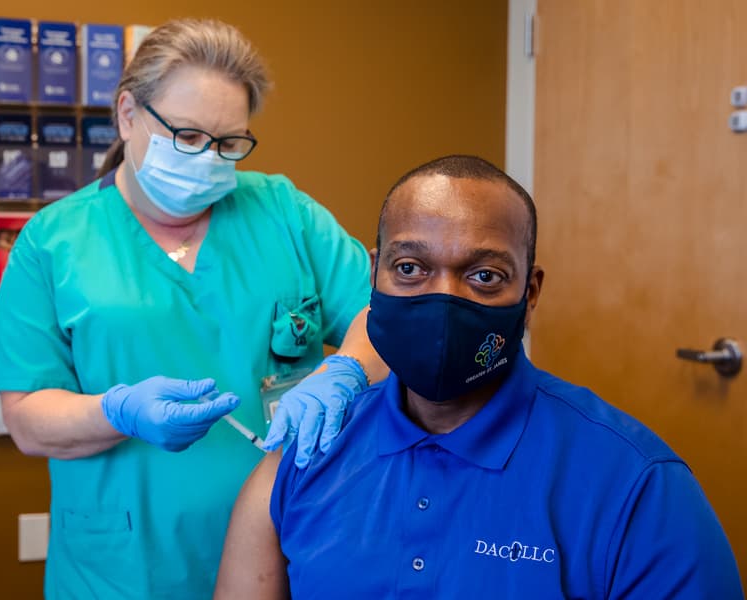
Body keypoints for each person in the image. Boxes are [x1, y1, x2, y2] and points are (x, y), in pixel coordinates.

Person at [0, 18, 386, 600]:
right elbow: (26, 419)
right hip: (122, 566)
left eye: (227, 144)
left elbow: (380, 317)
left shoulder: (285, 213)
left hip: (286, 545)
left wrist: (347, 371)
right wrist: (118, 413)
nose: (208, 159)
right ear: (127, 114)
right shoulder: (52, 242)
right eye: (188, 137)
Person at [214, 154, 744, 599]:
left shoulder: (635, 486)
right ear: (375, 272)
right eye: (409, 269)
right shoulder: (309, 456)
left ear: (530, 294)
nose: (443, 299)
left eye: (484, 276)